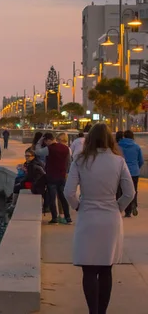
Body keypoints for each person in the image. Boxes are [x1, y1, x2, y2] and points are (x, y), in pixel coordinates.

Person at [64, 123, 135, 314]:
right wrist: (117, 207)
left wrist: (78, 205)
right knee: (106, 268)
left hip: (88, 216)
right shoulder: (118, 161)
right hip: (110, 218)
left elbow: (69, 192)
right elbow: (130, 192)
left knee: (88, 269)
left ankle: (92, 311)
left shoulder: (80, 160)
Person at [36, 132, 72, 224]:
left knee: (52, 198)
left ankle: (54, 219)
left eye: (45, 141)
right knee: (63, 198)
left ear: (48, 140)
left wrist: (39, 141)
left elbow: (37, 152)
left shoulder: (49, 148)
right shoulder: (66, 148)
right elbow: (68, 162)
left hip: (51, 176)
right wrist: (66, 172)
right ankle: (68, 218)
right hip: (62, 176)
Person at [118, 130, 144, 217]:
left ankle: (127, 210)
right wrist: (136, 167)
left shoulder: (119, 146)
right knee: (134, 190)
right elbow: (141, 160)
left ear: (124, 136)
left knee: (122, 191)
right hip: (134, 171)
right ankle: (134, 204)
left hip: (122, 172)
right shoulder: (136, 147)